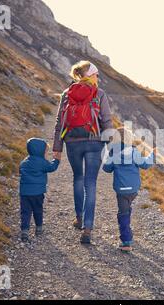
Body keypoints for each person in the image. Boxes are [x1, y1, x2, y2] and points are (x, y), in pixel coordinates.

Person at [53, 60, 113, 244]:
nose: (98, 77)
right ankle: (87, 227)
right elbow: (107, 120)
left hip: (72, 141)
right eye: (96, 74)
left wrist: (57, 148)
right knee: (91, 183)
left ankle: (79, 218)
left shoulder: (67, 93)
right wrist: (109, 142)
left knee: (78, 178)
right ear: (90, 75)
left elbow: (59, 122)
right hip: (94, 142)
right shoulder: (99, 94)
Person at [102, 127, 156, 252]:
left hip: (121, 190)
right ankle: (127, 231)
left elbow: (106, 169)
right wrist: (152, 154)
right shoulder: (133, 152)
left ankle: (126, 241)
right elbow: (146, 165)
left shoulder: (113, 153)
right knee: (127, 209)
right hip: (133, 190)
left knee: (123, 213)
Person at [19, 138, 60, 242]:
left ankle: (24, 230)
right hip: (38, 193)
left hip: (25, 193)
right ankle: (39, 228)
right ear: (40, 151)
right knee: (38, 209)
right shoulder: (42, 162)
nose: (46, 154)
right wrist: (57, 160)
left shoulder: (24, 162)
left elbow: (20, 171)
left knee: (25, 211)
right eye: (45, 151)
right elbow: (52, 167)